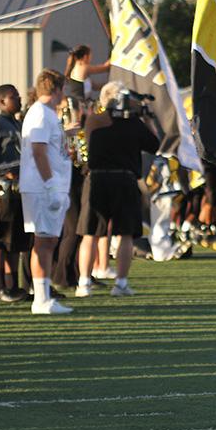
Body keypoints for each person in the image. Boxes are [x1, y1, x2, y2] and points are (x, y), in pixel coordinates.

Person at [75, 82, 159, 298]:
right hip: (124, 179)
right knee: (125, 233)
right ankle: (120, 283)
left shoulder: (94, 120)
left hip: (96, 179)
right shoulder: (133, 123)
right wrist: (146, 118)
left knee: (90, 233)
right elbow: (155, 145)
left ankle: (84, 283)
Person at [19, 69, 76, 314]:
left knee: (49, 241)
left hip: (50, 185)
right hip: (42, 187)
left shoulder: (47, 114)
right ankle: (41, 299)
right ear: (56, 89)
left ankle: (43, 296)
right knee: (44, 242)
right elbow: (39, 151)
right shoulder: (40, 113)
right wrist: (51, 184)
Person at [0, 84, 30, 303]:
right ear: (1, 102)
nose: (18, 98)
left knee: (14, 241)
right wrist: (2, 173)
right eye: (12, 96)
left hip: (19, 190)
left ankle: (13, 286)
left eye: (17, 95)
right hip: (2, 192)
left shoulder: (17, 123)